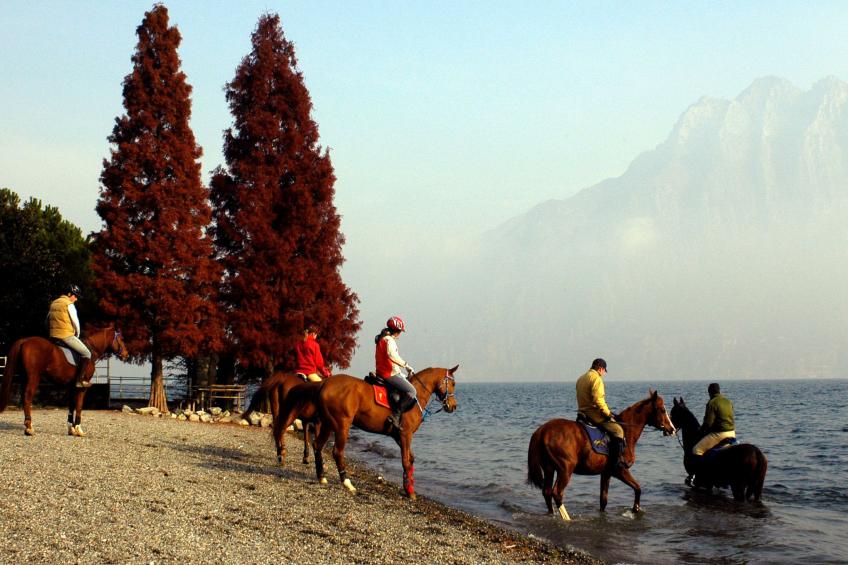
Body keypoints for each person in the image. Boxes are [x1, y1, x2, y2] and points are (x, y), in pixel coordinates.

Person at [575, 358, 627, 470]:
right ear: (601, 369)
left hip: (582, 413)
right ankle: (615, 463)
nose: (603, 374)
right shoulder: (596, 379)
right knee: (618, 431)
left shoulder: (581, 378)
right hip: (594, 415)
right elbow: (598, 400)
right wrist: (608, 414)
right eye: (604, 371)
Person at [374, 316, 416, 430]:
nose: (400, 334)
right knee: (412, 391)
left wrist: (402, 374)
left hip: (383, 372)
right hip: (389, 374)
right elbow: (392, 356)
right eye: (400, 331)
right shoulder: (389, 340)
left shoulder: (382, 339)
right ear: (396, 331)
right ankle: (395, 416)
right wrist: (406, 365)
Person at [47, 284, 92, 388]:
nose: (76, 299)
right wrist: (77, 334)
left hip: (53, 336)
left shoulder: (53, 303)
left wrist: (51, 332)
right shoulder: (69, 304)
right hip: (66, 336)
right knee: (87, 353)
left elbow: (47, 319)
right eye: (75, 296)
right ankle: (79, 380)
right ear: (69, 294)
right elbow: (75, 322)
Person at [692, 382, 735, 456]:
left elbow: (708, 423)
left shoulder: (712, 403)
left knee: (696, 450)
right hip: (732, 433)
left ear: (709, 392)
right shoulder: (728, 401)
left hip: (720, 434)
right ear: (719, 391)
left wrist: (699, 432)